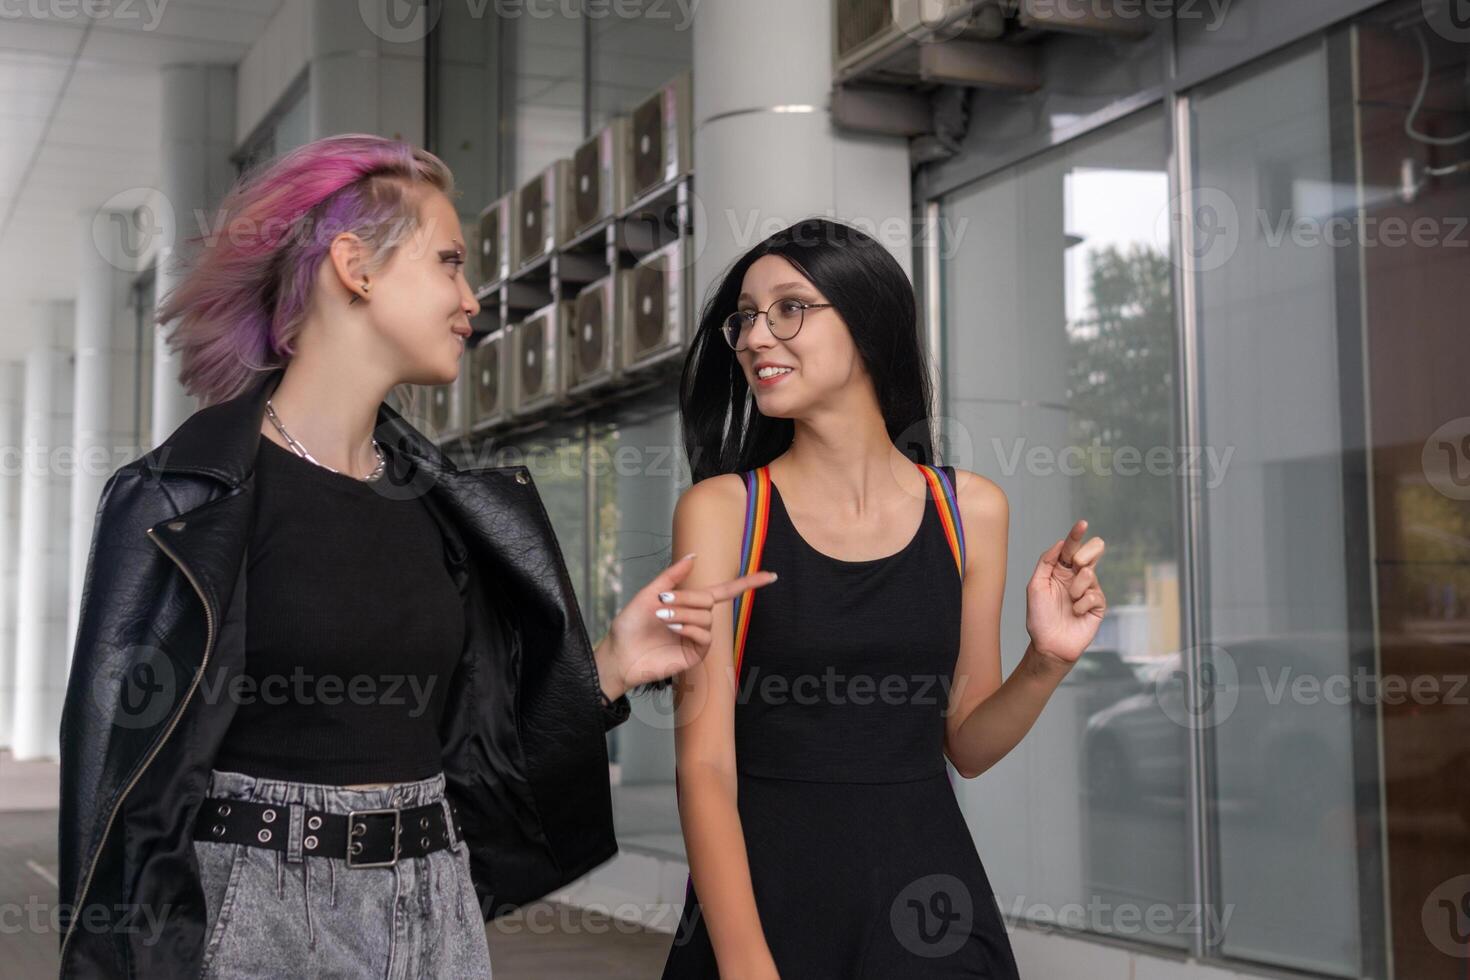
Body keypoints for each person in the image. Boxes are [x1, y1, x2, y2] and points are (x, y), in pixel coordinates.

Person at [55, 134, 776, 979]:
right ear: (355, 267)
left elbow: (475, 752)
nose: (472, 299)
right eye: (450, 262)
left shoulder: (442, 508)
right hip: (257, 913)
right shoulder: (182, 501)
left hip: (432, 902)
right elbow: (115, 799)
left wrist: (611, 665)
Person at [658, 218, 1108, 978]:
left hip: (929, 899)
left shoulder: (972, 511)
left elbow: (965, 743)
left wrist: (1047, 660)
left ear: (867, 324)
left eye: (790, 308)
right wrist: (743, 963)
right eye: (745, 317)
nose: (757, 337)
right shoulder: (724, 511)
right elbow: (704, 766)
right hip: (766, 901)